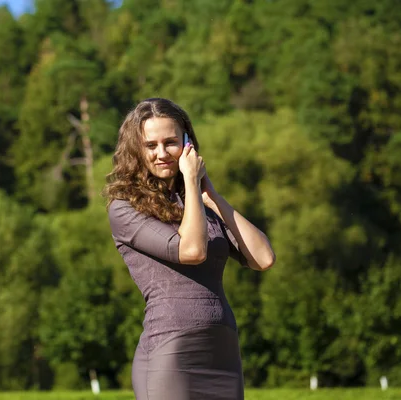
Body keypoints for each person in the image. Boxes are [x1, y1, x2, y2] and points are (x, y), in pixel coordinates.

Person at [104, 98, 276, 400]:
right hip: (171, 354)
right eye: (150, 145)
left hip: (222, 353)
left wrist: (213, 196)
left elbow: (263, 258)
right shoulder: (124, 208)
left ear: (187, 144)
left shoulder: (200, 202)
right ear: (136, 150)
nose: (161, 154)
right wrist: (193, 186)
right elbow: (192, 250)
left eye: (170, 143)